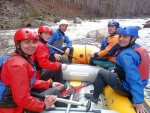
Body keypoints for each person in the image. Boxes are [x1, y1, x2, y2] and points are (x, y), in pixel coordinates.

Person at [0, 28, 66, 113]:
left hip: (14, 100)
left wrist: (49, 84)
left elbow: (27, 82)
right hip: (15, 109)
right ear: (18, 45)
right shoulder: (18, 66)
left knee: (52, 88)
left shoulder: (11, 57)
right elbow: (22, 100)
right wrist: (44, 105)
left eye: (34, 42)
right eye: (27, 42)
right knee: (54, 92)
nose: (32, 45)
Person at [85, 26, 149, 113]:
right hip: (141, 85)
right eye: (120, 36)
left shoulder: (126, 55)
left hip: (126, 89)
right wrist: (115, 69)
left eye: (125, 36)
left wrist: (138, 101)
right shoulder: (138, 48)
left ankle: (95, 97)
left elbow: (134, 78)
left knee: (101, 73)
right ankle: (103, 85)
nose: (121, 39)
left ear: (133, 38)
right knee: (111, 68)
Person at [31, 25, 67, 91]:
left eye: (49, 34)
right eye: (45, 34)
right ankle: (61, 88)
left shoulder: (38, 43)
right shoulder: (41, 46)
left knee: (55, 64)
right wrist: (59, 65)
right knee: (57, 67)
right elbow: (43, 64)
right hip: (36, 77)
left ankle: (58, 82)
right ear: (39, 34)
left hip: (35, 73)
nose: (48, 36)